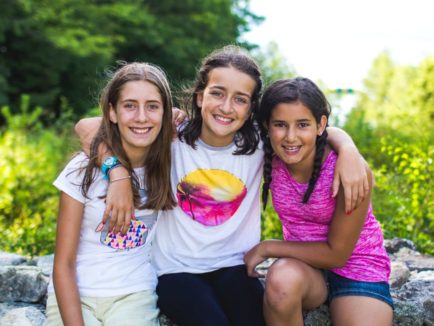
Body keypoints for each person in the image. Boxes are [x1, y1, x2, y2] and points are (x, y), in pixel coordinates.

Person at [75, 45, 370, 326]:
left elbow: (308, 127)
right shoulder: (171, 136)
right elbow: (86, 127)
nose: (227, 107)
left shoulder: (259, 143)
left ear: (251, 108)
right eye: (217, 93)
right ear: (200, 96)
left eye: (240, 99)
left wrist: (347, 147)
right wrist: (118, 174)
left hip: (235, 267)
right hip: (175, 271)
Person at [245, 77, 393, 326]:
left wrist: (267, 247)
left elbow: (337, 255)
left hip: (358, 267)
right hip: (305, 268)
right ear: (267, 126)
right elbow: (220, 133)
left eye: (302, 124)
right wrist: (176, 118)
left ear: (320, 124)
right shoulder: (269, 154)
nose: (291, 137)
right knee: (281, 280)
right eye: (280, 125)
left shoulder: (348, 170)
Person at [45, 62, 176, 326]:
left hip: (133, 295)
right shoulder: (82, 170)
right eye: (129, 105)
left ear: (166, 113)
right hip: (76, 294)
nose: (141, 117)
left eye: (152, 106)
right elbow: (63, 264)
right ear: (112, 112)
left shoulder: (172, 161)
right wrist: (116, 172)